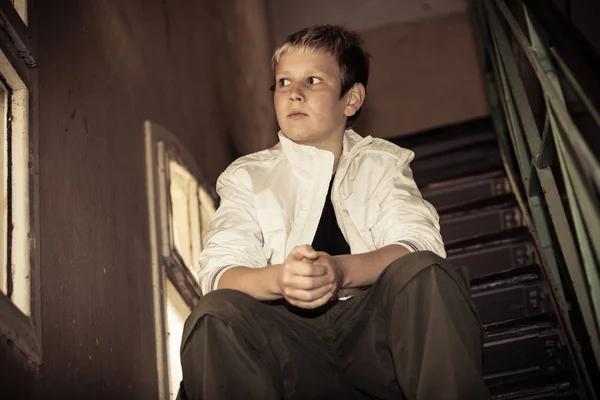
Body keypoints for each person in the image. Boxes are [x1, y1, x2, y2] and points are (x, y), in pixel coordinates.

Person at [179, 25, 491, 400]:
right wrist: (282, 279)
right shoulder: (247, 176)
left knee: (425, 272)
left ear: (352, 99)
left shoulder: (383, 164)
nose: (294, 93)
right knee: (214, 312)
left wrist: (340, 271)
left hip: (374, 337)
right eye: (283, 82)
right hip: (286, 348)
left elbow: (418, 244)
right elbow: (219, 274)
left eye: (312, 80)